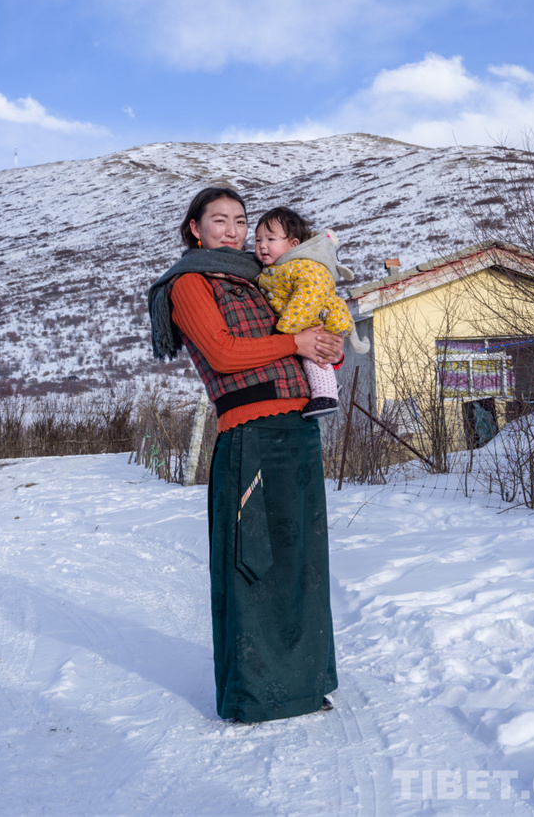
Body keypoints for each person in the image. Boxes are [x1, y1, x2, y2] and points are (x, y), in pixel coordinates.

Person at [148, 187, 342, 723]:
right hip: (251, 434)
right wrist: (297, 343)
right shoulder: (190, 282)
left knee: (302, 561)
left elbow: (307, 333)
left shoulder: (262, 280)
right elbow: (224, 353)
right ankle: (257, 695)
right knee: (255, 562)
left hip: (299, 428)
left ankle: (303, 684)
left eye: (240, 220)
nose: (232, 231)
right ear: (195, 227)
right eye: (219, 220)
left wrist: (325, 346)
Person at [255, 206, 370, 418]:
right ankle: (326, 387)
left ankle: (326, 396)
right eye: (258, 240)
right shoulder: (281, 267)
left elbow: (307, 299)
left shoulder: (305, 267)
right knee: (311, 352)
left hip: (316, 319)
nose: (262, 246)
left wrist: (286, 331)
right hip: (306, 321)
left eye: (271, 240)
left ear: (293, 244)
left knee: (314, 352)